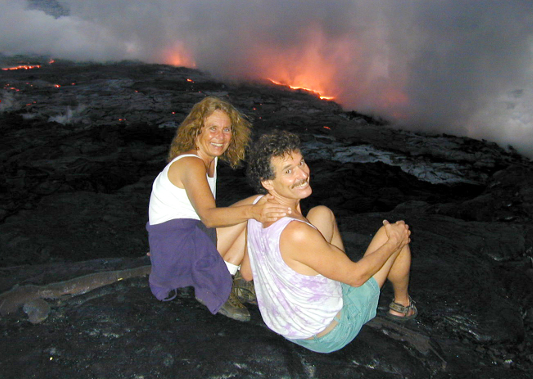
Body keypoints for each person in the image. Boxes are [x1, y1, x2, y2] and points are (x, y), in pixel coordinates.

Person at [240, 130, 416, 353]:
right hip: (325, 333)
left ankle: (334, 269)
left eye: (301, 162)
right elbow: (356, 278)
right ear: (268, 182)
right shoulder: (297, 233)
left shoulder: (258, 208)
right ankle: (403, 305)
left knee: (322, 213)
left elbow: (247, 273)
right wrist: (394, 241)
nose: (302, 174)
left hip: (285, 322)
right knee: (392, 232)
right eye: (288, 171)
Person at [146, 97, 290, 322]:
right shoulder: (191, 164)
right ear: (196, 131)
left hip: (180, 246)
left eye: (227, 130)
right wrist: (253, 213)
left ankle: (230, 278)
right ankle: (225, 287)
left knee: (258, 203)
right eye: (212, 129)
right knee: (255, 207)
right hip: (178, 255)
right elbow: (209, 218)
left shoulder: (209, 161)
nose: (220, 137)